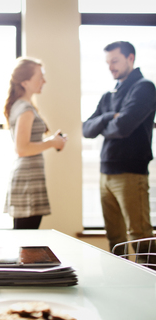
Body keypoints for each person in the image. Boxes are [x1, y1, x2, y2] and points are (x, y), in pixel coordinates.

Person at [82, 41, 156, 255]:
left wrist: (104, 125)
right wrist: (108, 117)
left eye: (115, 61)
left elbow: (123, 127)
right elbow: (86, 129)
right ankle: (119, 286)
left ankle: (148, 287)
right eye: (108, 62)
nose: (110, 67)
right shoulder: (108, 95)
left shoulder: (144, 87)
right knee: (114, 238)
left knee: (140, 236)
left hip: (131, 173)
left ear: (130, 58)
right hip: (106, 173)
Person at [3, 57, 67, 229]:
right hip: (28, 181)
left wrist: (52, 141)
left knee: (26, 237)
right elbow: (22, 149)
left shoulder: (21, 106)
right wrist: (52, 142)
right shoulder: (25, 109)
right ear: (24, 82)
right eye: (40, 77)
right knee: (28, 239)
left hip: (28, 178)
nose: (44, 81)